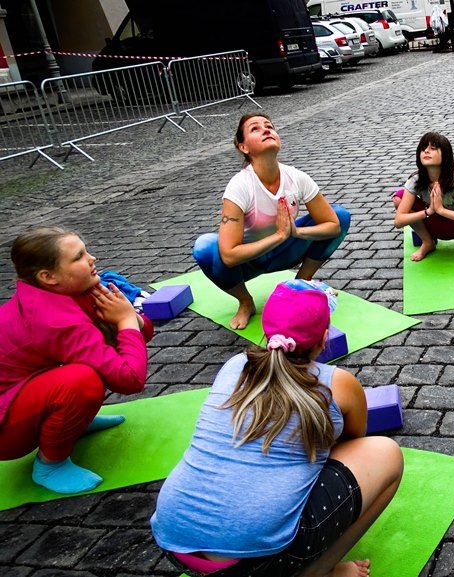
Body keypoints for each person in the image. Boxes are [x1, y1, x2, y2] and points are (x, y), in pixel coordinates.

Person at [152, 281, 404, 577]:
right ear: (325, 338)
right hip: (260, 561)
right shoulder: (338, 384)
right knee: (387, 454)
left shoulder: (236, 364)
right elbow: (353, 442)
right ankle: (318, 571)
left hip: (175, 544)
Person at [0, 227, 153, 494]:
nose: (92, 259)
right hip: (5, 431)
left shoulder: (75, 291)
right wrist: (126, 320)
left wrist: (131, 319)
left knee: (88, 366)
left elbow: (137, 336)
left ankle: (74, 423)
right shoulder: (53, 318)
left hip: (22, 391)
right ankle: (50, 464)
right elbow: (130, 378)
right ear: (48, 277)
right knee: (82, 380)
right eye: (79, 257)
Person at [192, 113, 349, 330]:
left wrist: (297, 233)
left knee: (341, 214)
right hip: (250, 261)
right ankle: (246, 302)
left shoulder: (296, 177)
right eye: (255, 129)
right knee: (205, 247)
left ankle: (298, 286)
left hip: (286, 250)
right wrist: (278, 236)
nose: (266, 130)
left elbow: (334, 225)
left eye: (269, 126)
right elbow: (228, 255)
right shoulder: (239, 186)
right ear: (243, 147)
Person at [393, 132, 454, 261]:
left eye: (433, 148)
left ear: (445, 155)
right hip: (433, 226)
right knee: (399, 198)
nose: (426, 151)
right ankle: (428, 242)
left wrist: (441, 210)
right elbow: (398, 222)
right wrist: (428, 211)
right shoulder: (415, 180)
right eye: (423, 148)